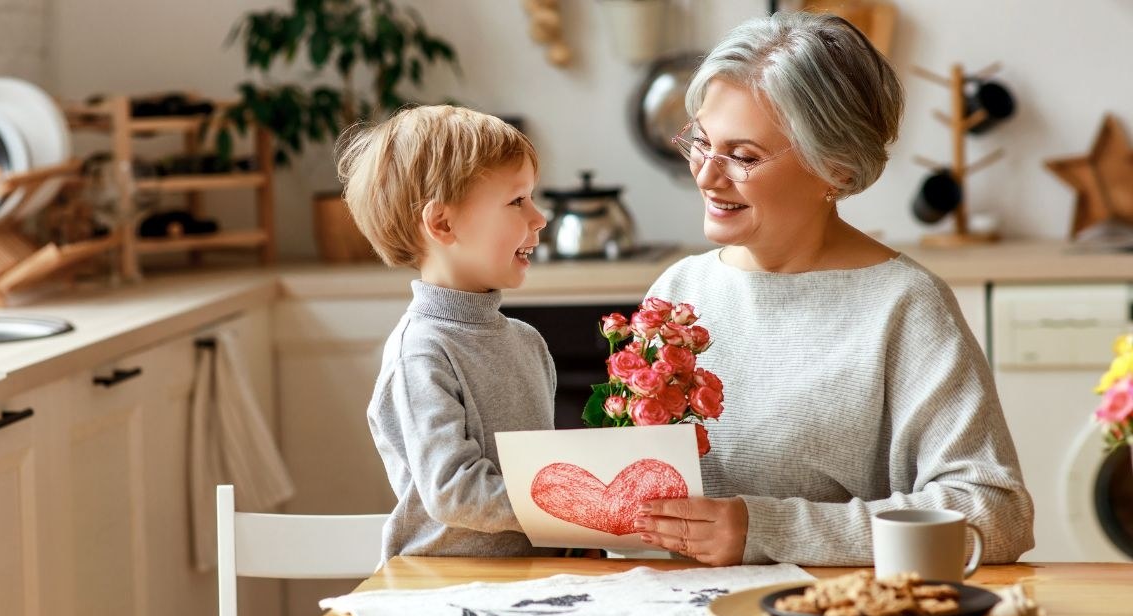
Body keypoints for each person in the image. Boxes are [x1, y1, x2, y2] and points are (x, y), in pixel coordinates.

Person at [631, 11, 1035, 566]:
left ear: (837, 170)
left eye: (743, 156)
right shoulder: (679, 289)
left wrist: (767, 529)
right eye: (702, 142)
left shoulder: (904, 305)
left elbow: (996, 511)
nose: (706, 175)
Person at [337, 105, 561, 560]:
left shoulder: (527, 342)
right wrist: (579, 509)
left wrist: (578, 540)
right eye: (517, 200)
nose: (540, 217)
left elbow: (537, 477)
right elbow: (454, 491)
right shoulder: (421, 352)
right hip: (439, 589)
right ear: (442, 223)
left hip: (527, 579)